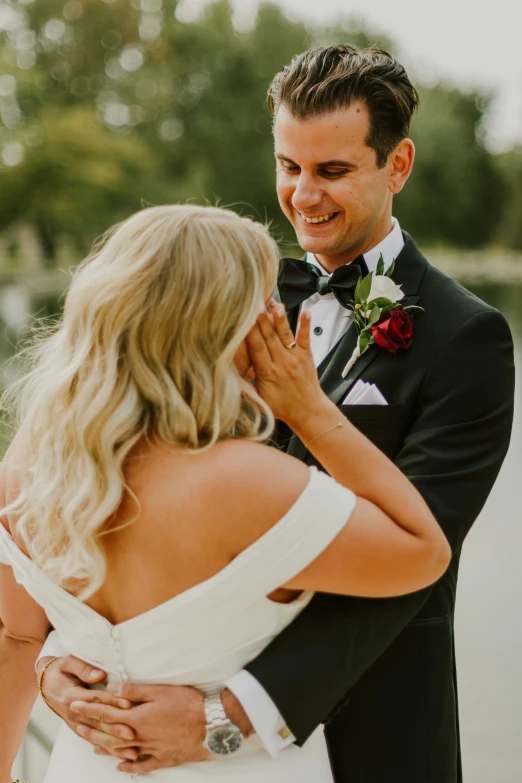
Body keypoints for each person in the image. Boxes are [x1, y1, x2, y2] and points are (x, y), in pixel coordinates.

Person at [35, 46, 515, 783]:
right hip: (171, 688)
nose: (303, 196)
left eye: (331, 171)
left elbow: (417, 563)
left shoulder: (466, 336)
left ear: (398, 165)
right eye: (289, 166)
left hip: (373, 724)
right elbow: (123, 483)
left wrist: (228, 715)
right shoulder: (229, 293)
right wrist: (68, 654)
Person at [0, 204, 450, 783]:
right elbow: (423, 550)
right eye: (266, 302)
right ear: (220, 324)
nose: (282, 318)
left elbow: (16, 637)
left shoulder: (27, 472)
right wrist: (311, 412)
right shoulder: (246, 484)